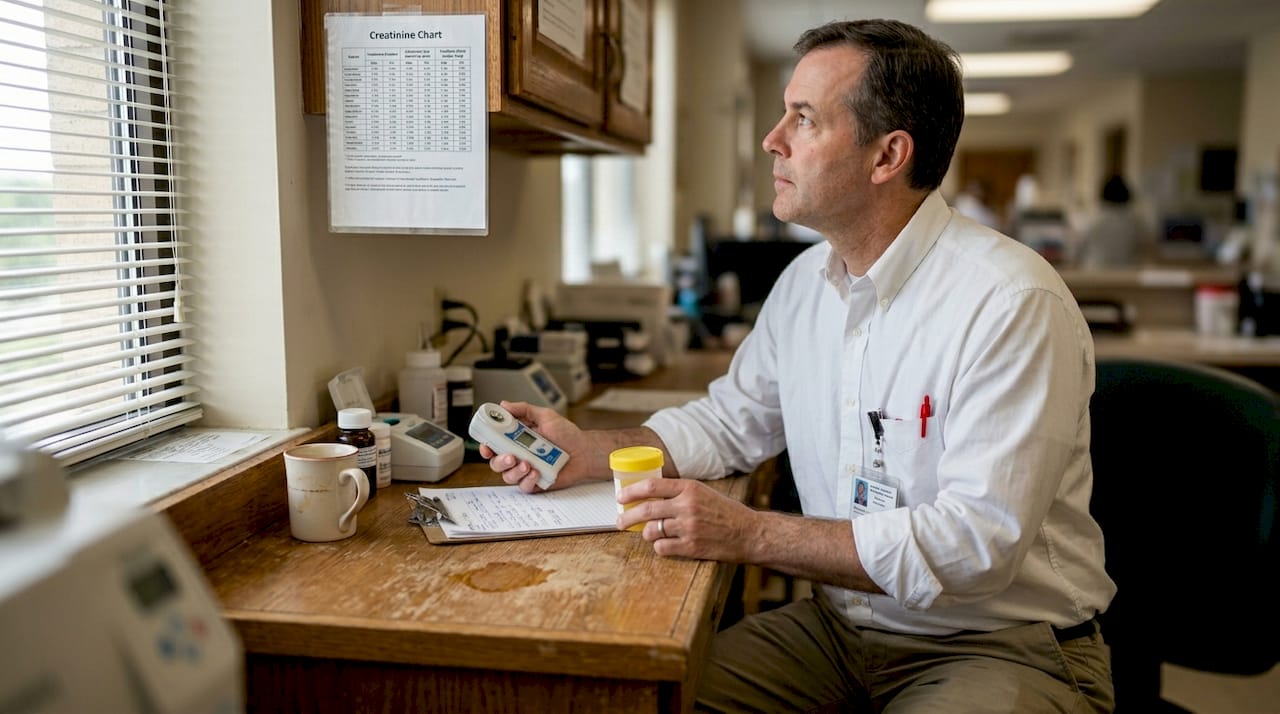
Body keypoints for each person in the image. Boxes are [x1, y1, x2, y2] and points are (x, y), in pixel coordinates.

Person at [481, 18, 1115, 713]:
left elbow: (975, 546)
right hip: (839, 631)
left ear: (887, 156)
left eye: (803, 118)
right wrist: (589, 451)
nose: (771, 139)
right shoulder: (804, 284)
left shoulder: (1010, 302)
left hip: (995, 642)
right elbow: (729, 423)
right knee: (644, 702)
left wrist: (750, 534)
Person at [1076, 174, 1144, 268]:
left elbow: (1079, 250)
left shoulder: (1093, 220)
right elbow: (1144, 250)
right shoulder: (1136, 223)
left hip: (1094, 274)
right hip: (1125, 275)